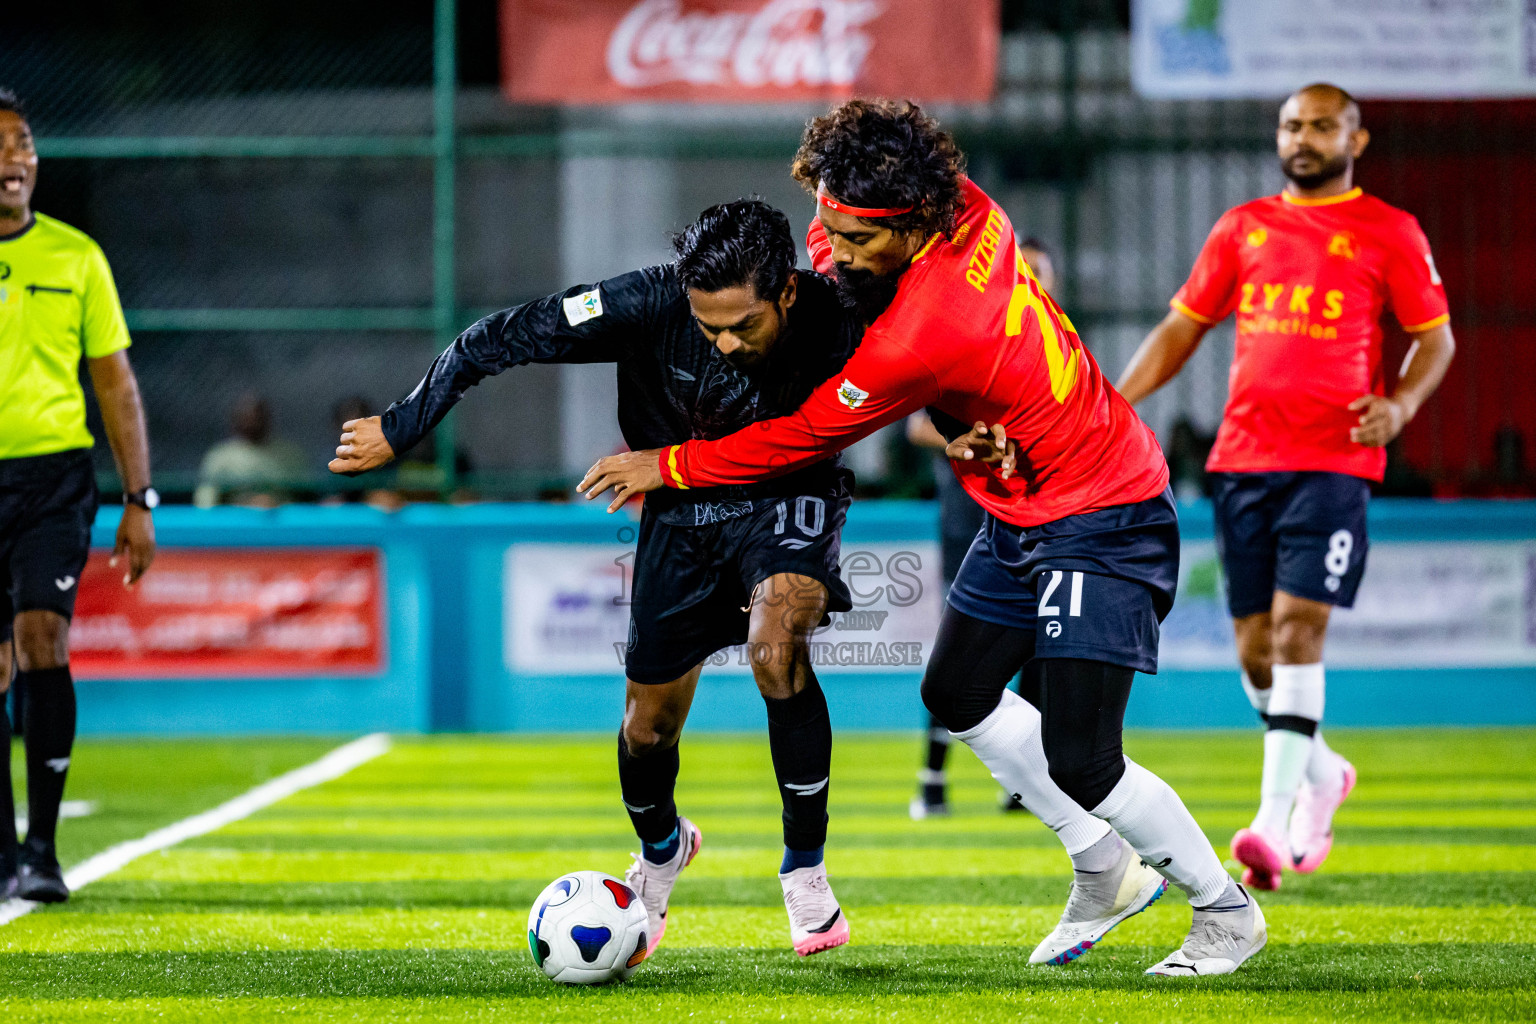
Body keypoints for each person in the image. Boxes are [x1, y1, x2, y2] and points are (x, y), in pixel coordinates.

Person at [580, 99, 1265, 976]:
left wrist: (665, 466)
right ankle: (1103, 869)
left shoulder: (926, 328)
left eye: (854, 236)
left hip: (1102, 510)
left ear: (910, 227)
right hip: (1020, 504)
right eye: (821, 219)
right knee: (958, 694)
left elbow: (803, 436)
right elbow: (898, 247)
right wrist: (961, 423)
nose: (828, 247)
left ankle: (1224, 910)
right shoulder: (966, 209)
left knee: (1084, 755)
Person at [330, 200, 875, 957]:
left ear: (786, 290)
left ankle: (805, 869)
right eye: (706, 323)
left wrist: (972, 434)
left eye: (741, 326)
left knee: (776, 647)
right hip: (680, 518)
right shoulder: (644, 301)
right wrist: (403, 423)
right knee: (647, 727)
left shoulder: (840, 314)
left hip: (788, 497)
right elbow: (499, 337)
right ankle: (661, 851)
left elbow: (935, 365)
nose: (721, 341)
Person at [1116, 83, 1455, 891]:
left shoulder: (1390, 230)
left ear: (1355, 140)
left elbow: (1434, 339)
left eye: (1321, 126)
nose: (1303, 138)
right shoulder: (1244, 227)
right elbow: (1183, 327)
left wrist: (1401, 403)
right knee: (1256, 652)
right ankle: (1322, 771)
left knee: (1300, 632)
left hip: (1334, 462)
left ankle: (1270, 825)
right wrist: (1112, 401)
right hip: (1243, 461)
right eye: (1292, 125)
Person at [0, 87, 157, 902]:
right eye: (0, 146)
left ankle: (41, 849)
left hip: (52, 479)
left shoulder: (76, 258)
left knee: (39, 640)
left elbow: (116, 385)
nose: (13, 159)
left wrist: (141, 497)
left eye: (22, 143)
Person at [905, 237, 1057, 820]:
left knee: (1042, 645)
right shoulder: (972, 338)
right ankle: (932, 780)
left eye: (1044, 273)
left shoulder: (1059, 346)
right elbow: (917, 425)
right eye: (1029, 270)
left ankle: (1026, 785)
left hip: (1039, 516)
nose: (1036, 280)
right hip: (969, 515)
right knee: (962, 646)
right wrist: (963, 441)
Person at [193, 393, 307, 508]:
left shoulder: (289, 454)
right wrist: (245, 504)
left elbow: (304, 498)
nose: (252, 422)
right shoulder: (221, 456)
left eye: (258, 417)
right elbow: (205, 501)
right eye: (246, 417)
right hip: (236, 522)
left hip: (280, 522)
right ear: (236, 420)